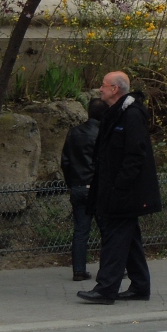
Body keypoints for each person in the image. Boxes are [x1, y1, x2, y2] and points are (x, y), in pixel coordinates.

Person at [78, 72, 161, 305]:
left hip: (125, 193)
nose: (99, 89)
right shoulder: (116, 114)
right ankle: (140, 286)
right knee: (129, 238)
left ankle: (106, 289)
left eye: (103, 86)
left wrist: (119, 186)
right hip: (115, 189)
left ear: (115, 89)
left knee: (114, 239)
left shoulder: (131, 115)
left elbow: (135, 155)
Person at [61, 97, 105, 282]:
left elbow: (65, 161)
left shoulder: (74, 132)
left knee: (80, 231)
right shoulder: (103, 134)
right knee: (108, 231)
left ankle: (79, 270)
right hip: (98, 188)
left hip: (78, 186)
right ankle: (108, 268)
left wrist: (72, 183)